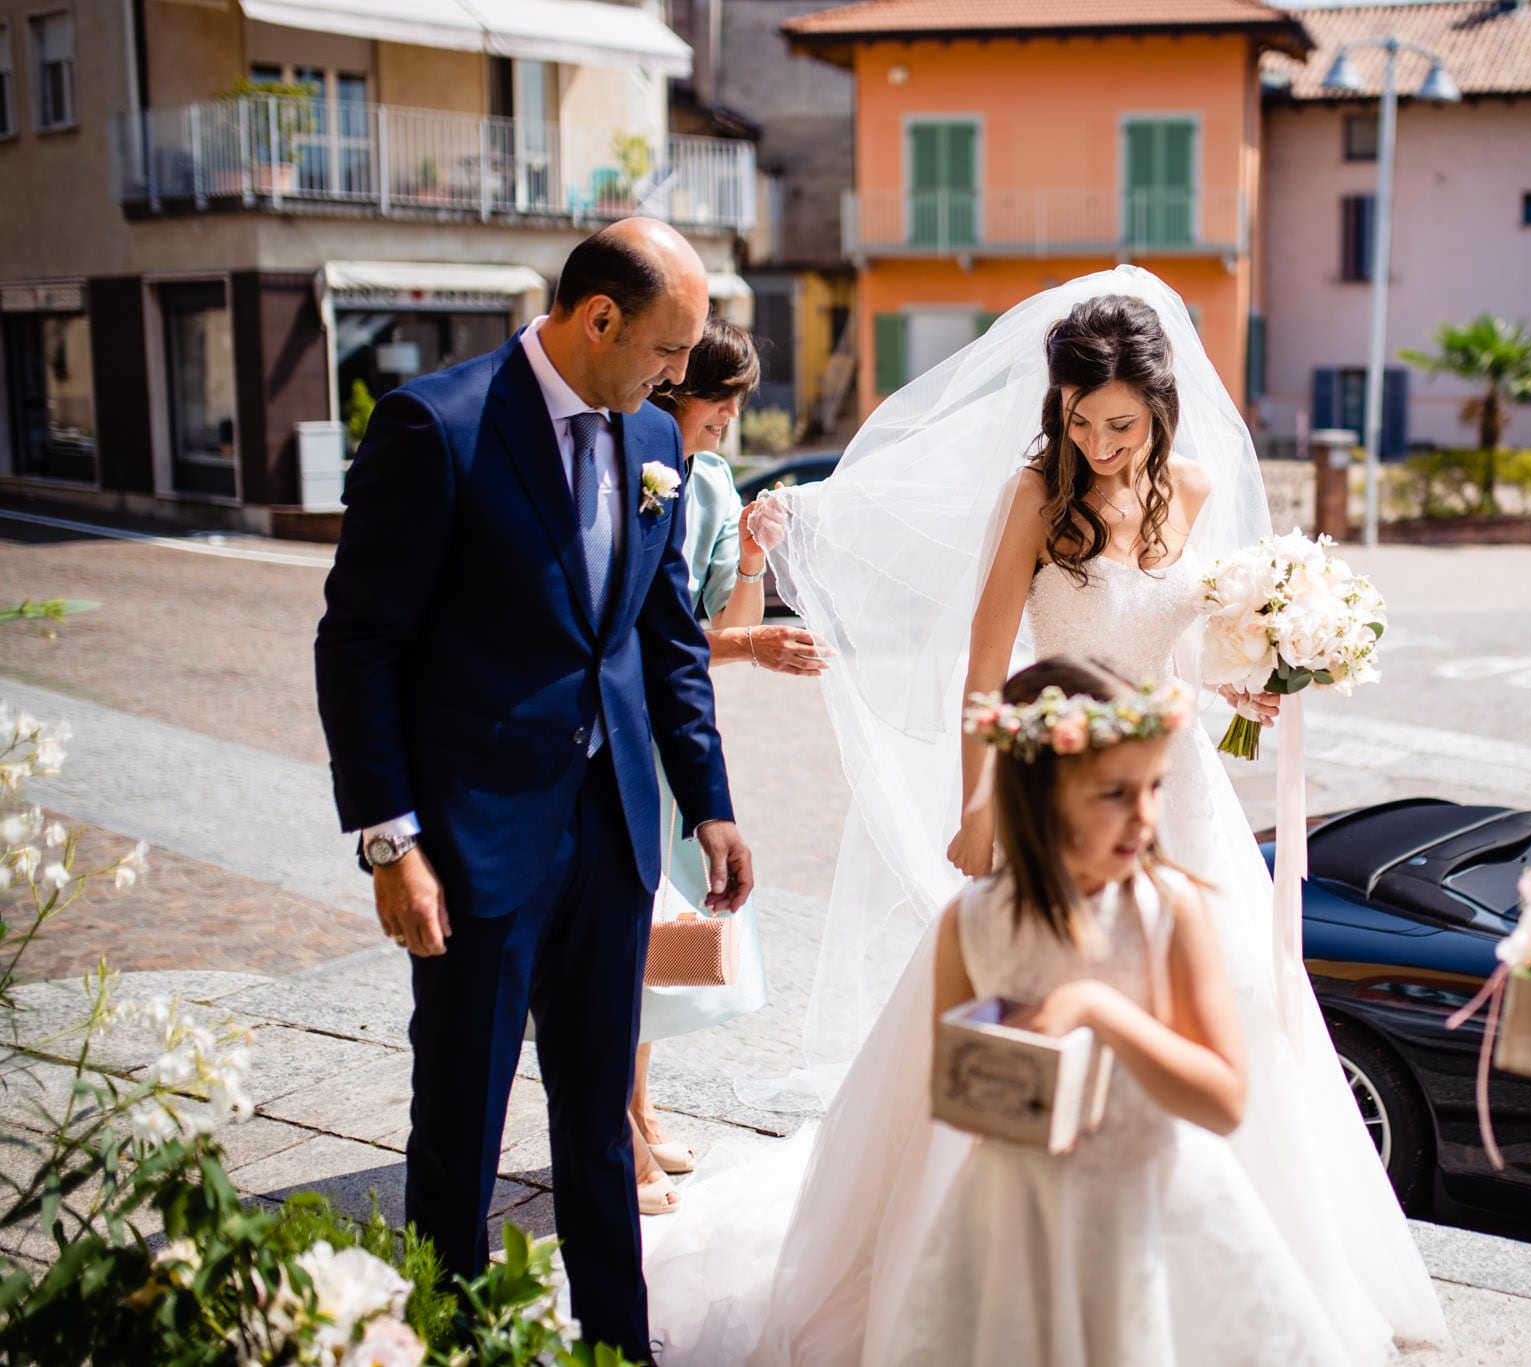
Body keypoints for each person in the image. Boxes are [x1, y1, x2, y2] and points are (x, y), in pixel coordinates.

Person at [640, 268, 1445, 1364]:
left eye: (1117, 421)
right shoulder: (1034, 495)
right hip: (1057, 788)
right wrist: (981, 802)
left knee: (1237, 1009)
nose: (1097, 440)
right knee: (1021, 1009)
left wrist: (1247, 674)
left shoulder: (1196, 491)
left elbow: (1183, 640)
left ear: (1158, 410)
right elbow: (984, 666)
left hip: (1177, 798)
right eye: (1077, 417)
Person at [314, 218, 755, 1363]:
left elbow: (664, 643)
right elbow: (357, 644)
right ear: (596, 315)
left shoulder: (653, 434)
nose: (678, 376)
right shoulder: (438, 426)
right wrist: (388, 841)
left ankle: (619, 1343)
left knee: (599, 1122)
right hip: (472, 846)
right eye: (666, 347)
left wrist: (708, 798)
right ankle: (447, 1344)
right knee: (458, 1120)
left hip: (609, 839)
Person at [887, 656, 1367, 1366]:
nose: (1145, 816)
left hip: (1147, 1205)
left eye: (1153, 788)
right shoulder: (972, 921)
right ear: (1039, 793)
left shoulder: (1165, 910)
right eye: (1115, 792)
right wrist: (1014, 1069)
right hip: (1018, 1214)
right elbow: (954, 1092)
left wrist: (1101, 1011)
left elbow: (1225, 1099)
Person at [630, 319, 828, 1215]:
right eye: (722, 401)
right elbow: (654, 632)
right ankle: (615, 1123)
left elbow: (716, 627)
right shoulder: (623, 460)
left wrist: (750, 555)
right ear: (672, 386)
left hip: (677, 735)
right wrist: (752, 640)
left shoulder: (706, 479)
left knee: (660, 923)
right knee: (625, 924)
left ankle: (636, 1100)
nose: (731, 421)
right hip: (616, 726)